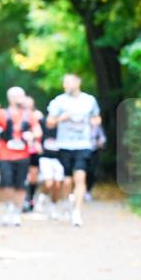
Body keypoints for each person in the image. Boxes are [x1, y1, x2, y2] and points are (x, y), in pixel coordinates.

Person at [47, 74, 101, 227]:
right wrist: (60, 119)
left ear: (78, 83)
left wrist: (93, 122)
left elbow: (97, 118)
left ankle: (77, 212)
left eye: (68, 83)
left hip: (83, 145)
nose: (65, 86)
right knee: (67, 180)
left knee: (80, 178)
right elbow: (49, 123)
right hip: (64, 145)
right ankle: (67, 202)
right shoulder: (59, 101)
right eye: (64, 83)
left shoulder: (89, 100)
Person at [0, 87, 40, 227]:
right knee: (6, 183)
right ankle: (9, 207)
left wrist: (32, 135)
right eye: (20, 96)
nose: (23, 99)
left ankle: (17, 212)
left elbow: (38, 130)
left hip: (23, 155)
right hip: (5, 155)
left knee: (20, 185)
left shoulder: (29, 115)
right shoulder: (2, 114)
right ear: (11, 99)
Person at [37, 110, 66, 220]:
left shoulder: (62, 129)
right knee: (48, 182)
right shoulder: (42, 125)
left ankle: (53, 206)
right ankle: (42, 198)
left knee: (57, 185)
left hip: (58, 159)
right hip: (45, 158)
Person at [21, 95, 44, 213]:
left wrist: (39, 144)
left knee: (33, 177)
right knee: (24, 176)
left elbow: (43, 132)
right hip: (22, 151)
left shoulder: (38, 116)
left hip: (34, 150)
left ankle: (30, 199)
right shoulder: (19, 117)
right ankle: (23, 200)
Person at [85, 121, 107, 201]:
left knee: (91, 172)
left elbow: (103, 138)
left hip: (94, 152)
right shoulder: (83, 125)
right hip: (82, 151)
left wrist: (100, 142)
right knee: (81, 171)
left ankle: (88, 191)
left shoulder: (98, 127)